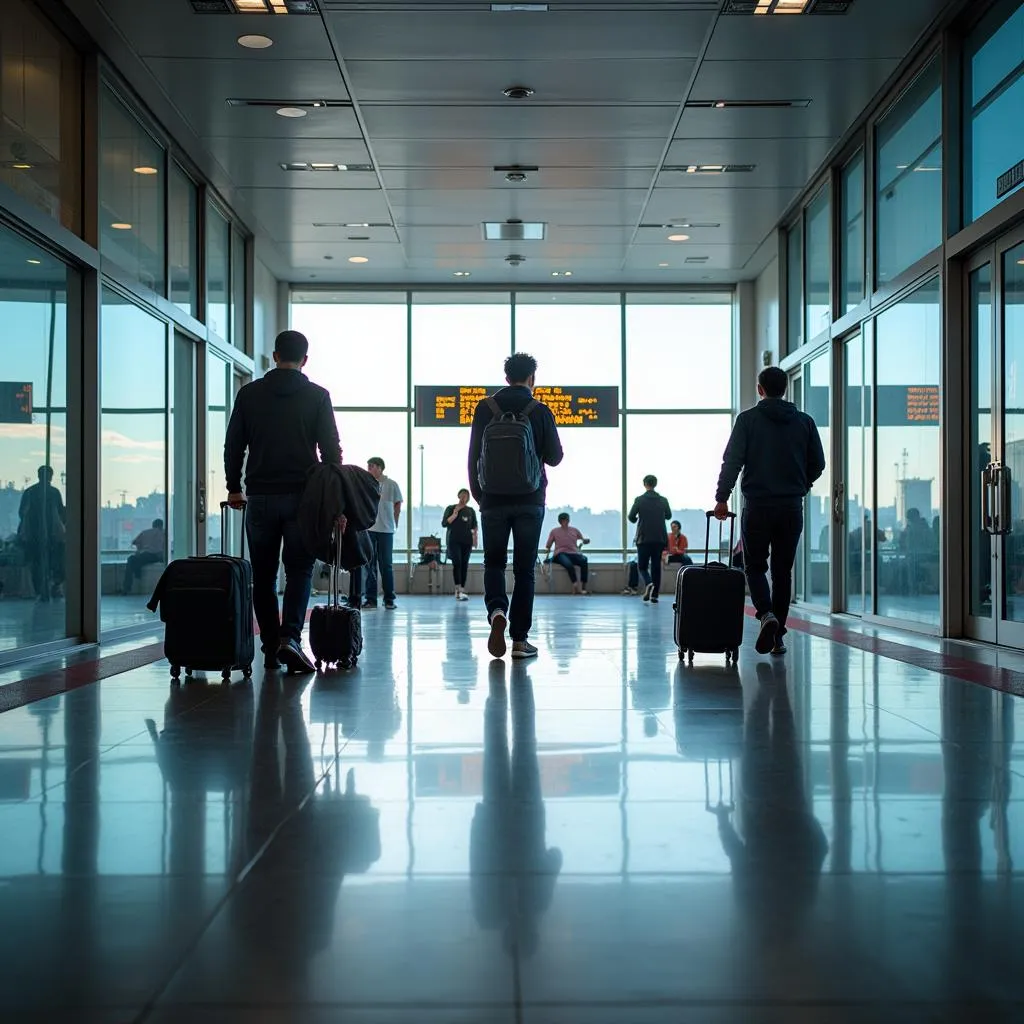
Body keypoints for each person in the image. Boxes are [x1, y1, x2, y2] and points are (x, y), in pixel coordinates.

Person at [225, 329, 341, 673]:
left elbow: (234, 446)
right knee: (300, 570)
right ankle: (290, 638)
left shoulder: (249, 395)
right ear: (305, 360)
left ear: (274, 356)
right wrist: (334, 501)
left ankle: (271, 645)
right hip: (303, 499)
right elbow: (331, 451)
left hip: (259, 497)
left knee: (262, 577)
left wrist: (234, 487)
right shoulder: (317, 396)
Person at [714, 365, 825, 657]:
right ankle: (778, 639)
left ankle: (767, 616)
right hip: (791, 506)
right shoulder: (805, 422)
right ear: (785, 388)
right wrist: (802, 484)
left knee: (755, 566)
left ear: (759, 389)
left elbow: (732, 461)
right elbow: (818, 463)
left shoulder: (747, 420)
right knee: (782, 572)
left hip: (758, 506)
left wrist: (722, 498)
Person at [469, 352, 564, 660]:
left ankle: (497, 610)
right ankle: (520, 641)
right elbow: (555, 457)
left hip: (492, 500)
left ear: (506, 377)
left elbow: (473, 457)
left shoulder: (486, 407)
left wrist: (480, 496)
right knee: (524, 569)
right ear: (532, 379)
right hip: (530, 500)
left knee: (493, 563)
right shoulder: (539, 410)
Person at [352, 457, 403, 610]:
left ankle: (389, 599)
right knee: (369, 565)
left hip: (386, 531)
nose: (369, 469)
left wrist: (396, 522)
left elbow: (398, 503)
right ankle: (371, 599)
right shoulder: (365, 483)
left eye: (372, 466)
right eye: (368, 466)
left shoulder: (392, 484)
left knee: (386, 565)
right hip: (369, 530)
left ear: (380, 468)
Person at [18, 465, 66, 602]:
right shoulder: (54, 492)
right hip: (52, 536)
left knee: (36, 563)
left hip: (33, 535)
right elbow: (61, 514)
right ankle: (55, 586)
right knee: (56, 562)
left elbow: (22, 513)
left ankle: (40, 590)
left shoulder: (30, 492)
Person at [627, 475, 672, 604]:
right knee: (656, 566)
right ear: (655, 484)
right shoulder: (663, 500)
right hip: (659, 538)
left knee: (642, 566)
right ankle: (655, 595)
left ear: (644, 484)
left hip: (644, 538)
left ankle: (649, 582)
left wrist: (637, 519)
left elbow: (631, 517)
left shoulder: (639, 500)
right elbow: (669, 516)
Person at [442, 488, 478, 602]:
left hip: (467, 542)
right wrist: (455, 514)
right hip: (453, 541)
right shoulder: (451, 508)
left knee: (464, 564)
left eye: (466, 496)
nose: (464, 498)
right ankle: (457, 590)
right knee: (457, 563)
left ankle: (462, 589)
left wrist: (475, 539)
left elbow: (474, 527)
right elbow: (445, 523)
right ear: (458, 496)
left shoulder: (471, 511)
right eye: (462, 495)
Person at [544, 512, 590, 595]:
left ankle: (583, 586)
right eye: (564, 520)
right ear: (560, 521)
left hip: (573, 553)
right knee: (568, 564)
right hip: (560, 554)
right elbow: (548, 545)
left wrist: (585, 541)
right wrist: (548, 548)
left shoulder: (574, 530)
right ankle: (575, 584)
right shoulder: (554, 531)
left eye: (567, 520)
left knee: (584, 560)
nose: (566, 522)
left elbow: (582, 539)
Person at [122, 518, 165, 594]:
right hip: (156, 556)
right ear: (161, 526)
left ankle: (127, 587)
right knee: (137, 561)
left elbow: (135, 542)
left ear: (153, 525)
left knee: (131, 559)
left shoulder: (145, 532)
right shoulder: (163, 533)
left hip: (145, 555)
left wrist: (140, 548)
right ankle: (137, 575)